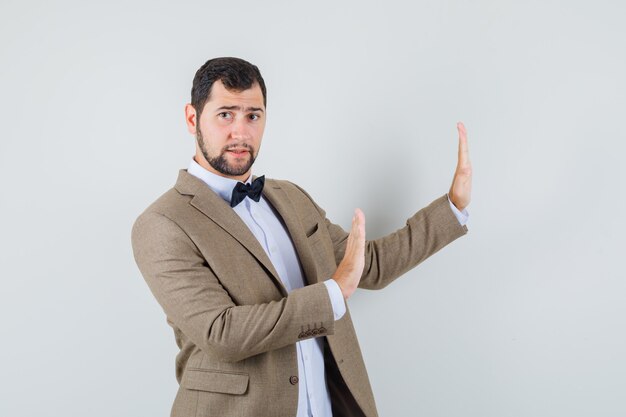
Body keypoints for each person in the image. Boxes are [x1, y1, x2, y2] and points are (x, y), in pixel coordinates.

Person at [131, 56, 472, 417]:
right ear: (192, 118)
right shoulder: (162, 223)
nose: (241, 133)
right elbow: (222, 333)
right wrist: (331, 295)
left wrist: (453, 206)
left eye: (253, 116)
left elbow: (367, 267)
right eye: (225, 114)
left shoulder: (291, 197)